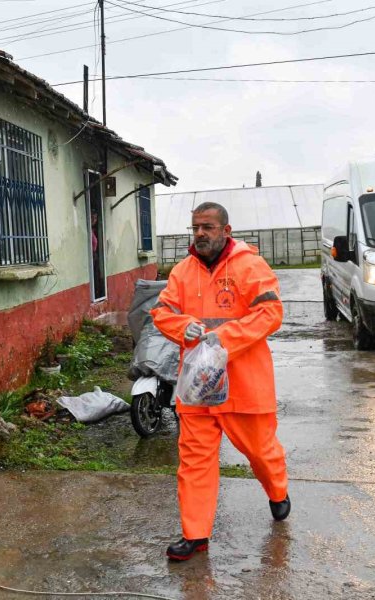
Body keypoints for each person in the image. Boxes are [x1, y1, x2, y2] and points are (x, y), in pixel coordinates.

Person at [151, 201, 290, 561]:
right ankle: (195, 535)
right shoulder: (182, 272)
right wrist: (185, 328)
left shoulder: (249, 266)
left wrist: (223, 339)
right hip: (197, 388)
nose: (200, 233)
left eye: (208, 227)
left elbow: (271, 313)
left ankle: (277, 491)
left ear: (225, 231)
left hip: (244, 385)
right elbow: (162, 312)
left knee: (260, 451)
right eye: (195, 227)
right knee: (194, 460)